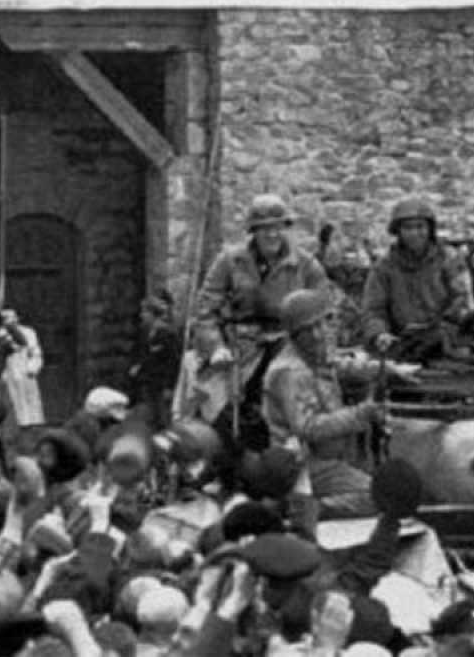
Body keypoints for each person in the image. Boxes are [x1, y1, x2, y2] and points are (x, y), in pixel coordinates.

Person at [196, 194, 326, 453]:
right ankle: (223, 460)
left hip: (288, 343)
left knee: (294, 395)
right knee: (217, 401)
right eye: (265, 228)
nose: (272, 235)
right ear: (253, 232)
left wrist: (318, 348)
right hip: (241, 345)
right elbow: (205, 310)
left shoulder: (305, 265)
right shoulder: (230, 261)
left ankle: (288, 458)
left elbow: (325, 310)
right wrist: (215, 346)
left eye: (278, 227)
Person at [263, 289, 382, 524]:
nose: (318, 335)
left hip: (329, 458)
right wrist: (360, 414)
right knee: (378, 496)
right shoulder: (290, 371)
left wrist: (383, 370)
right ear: (294, 336)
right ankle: (307, 509)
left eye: (322, 324)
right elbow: (308, 428)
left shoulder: (311, 357)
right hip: (304, 465)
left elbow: (337, 366)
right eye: (307, 330)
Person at [362, 197, 474, 364]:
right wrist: (379, 333)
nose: (415, 233)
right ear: (398, 231)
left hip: (447, 343)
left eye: (420, 226)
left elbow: (462, 298)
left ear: (430, 229)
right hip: (403, 345)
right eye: (408, 227)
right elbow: (373, 310)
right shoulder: (383, 267)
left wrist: (442, 327)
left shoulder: (449, 259)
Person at [128, 291, 181, 428]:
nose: (142, 316)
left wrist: (169, 386)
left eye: (144, 312)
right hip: (149, 383)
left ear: (153, 314)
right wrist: (139, 367)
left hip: (161, 384)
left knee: (163, 418)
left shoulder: (166, 334)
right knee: (151, 417)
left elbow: (173, 362)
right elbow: (145, 356)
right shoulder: (146, 333)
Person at [0, 307, 45, 426]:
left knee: (30, 406)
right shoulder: (0, 335)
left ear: (16, 318)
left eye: (12, 317)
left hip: (24, 372)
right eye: (5, 318)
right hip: (8, 374)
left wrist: (32, 368)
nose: (9, 320)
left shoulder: (28, 333)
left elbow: (35, 353)